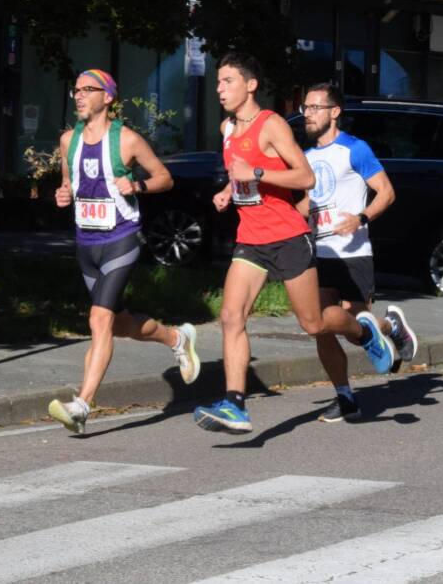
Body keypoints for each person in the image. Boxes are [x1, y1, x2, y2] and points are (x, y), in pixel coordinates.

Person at [193, 54, 398, 435]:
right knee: (230, 316)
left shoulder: (270, 125)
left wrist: (254, 172)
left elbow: (303, 177)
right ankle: (235, 404)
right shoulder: (226, 128)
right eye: (218, 82)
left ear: (250, 85)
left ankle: (366, 332)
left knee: (314, 323)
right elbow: (242, 174)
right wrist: (227, 190)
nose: (219, 88)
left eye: (227, 81)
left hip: (288, 237)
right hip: (250, 238)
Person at [48, 69, 200, 434]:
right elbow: (68, 183)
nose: (79, 96)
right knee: (119, 323)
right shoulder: (68, 140)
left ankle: (82, 405)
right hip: (86, 243)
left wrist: (135, 184)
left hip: (121, 239)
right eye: (76, 90)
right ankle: (177, 338)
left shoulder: (127, 140)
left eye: (88, 90)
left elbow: (164, 178)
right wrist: (63, 193)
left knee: (98, 320)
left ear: (108, 97)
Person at [297, 83, 418, 422]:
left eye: (314, 107)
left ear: (334, 112)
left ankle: (390, 326)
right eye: (305, 108)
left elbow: (386, 193)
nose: (307, 114)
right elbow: (310, 201)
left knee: (353, 325)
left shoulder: (355, 149)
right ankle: (345, 395)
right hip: (318, 250)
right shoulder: (306, 158)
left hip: (353, 251)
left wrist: (360, 218)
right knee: (320, 325)